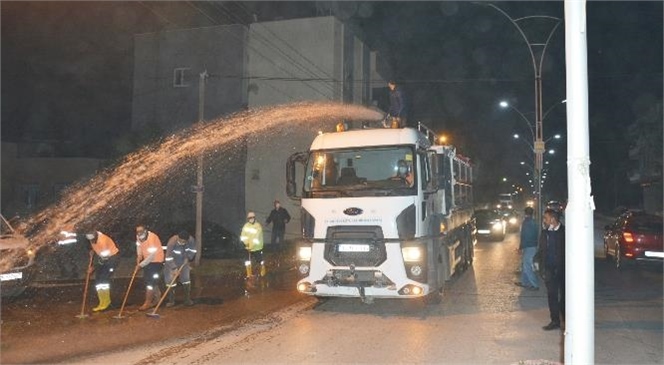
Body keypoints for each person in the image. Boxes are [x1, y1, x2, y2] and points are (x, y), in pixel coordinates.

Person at [538, 209, 566, 331]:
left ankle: (566, 320)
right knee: (552, 295)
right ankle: (555, 321)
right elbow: (541, 251)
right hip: (549, 268)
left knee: (565, 295)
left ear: (553, 219)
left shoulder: (565, 232)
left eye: (546, 218)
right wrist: (540, 266)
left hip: (563, 269)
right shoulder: (544, 233)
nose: (544, 220)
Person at [163, 230, 197, 307]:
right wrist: (174, 268)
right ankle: (171, 301)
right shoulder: (172, 242)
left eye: (184, 242)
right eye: (181, 241)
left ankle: (187, 300)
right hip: (171, 262)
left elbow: (193, 250)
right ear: (178, 238)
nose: (182, 243)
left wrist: (188, 257)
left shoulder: (191, 240)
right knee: (170, 281)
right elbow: (168, 257)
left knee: (186, 280)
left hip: (184, 262)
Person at [135, 225, 164, 311]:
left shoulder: (152, 238)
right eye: (138, 232)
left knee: (150, 282)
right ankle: (158, 296)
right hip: (147, 261)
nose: (139, 233)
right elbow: (139, 246)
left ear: (145, 231)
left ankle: (148, 302)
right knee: (148, 279)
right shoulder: (138, 236)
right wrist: (139, 256)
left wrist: (141, 265)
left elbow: (152, 256)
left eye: (141, 231)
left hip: (156, 260)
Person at [514, 207, 539, 291]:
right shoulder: (534, 222)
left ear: (525, 213)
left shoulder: (526, 223)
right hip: (532, 246)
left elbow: (524, 236)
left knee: (527, 265)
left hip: (528, 247)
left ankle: (534, 284)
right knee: (525, 265)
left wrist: (520, 248)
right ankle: (524, 282)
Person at [240, 211, 265, 278]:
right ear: (248, 218)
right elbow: (243, 236)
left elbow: (256, 238)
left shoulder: (258, 226)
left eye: (253, 217)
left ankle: (262, 272)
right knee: (247, 261)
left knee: (260, 261)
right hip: (248, 247)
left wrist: (250, 246)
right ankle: (249, 274)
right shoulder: (246, 226)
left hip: (257, 248)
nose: (251, 219)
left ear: (254, 218)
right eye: (250, 217)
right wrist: (246, 243)